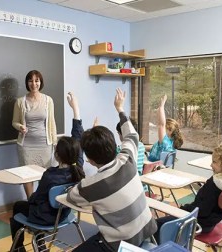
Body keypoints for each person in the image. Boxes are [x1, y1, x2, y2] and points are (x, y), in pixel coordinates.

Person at [67, 88, 157, 251]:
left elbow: (72, 197)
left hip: (121, 245)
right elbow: (132, 136)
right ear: (113, 145)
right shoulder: (127, 160)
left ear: (90, 160)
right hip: (147, 231)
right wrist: (120, 108)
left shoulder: (90, 185)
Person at [10, 92, 85, 252]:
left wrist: (30, 200)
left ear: (56, 155)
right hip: (64, 214)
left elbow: (35, 199)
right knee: (38, 206)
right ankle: (40, 242)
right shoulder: (77, 169)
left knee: (18, 206)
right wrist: (76, 110)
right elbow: (77, 138)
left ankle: (18, 247)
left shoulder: (50, 175)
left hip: (45, 218)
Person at [154, 118, 222, 241]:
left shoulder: (214, 186)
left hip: (198, 223)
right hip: (211, 221)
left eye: (214, 162)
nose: (211, 165)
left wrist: (182, 208)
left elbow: (201, 211)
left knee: (156, 226)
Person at [12, 70, 57, 198]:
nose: (34, 83)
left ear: (40, 82)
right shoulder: (20, 102)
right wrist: (20, 126)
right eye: (30, 80)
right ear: (27, 83)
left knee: (45, 176)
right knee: (27, 176)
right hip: (26, 146)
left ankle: (42, 203)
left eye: (36, 80)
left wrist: (54, 143)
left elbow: (52, 123)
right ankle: (31, 202)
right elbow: (14, 122)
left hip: (45, 145)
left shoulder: (48, 101)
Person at [147, 94, 183, 162]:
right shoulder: (171, 142)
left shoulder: (165, 141)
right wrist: (143, 147)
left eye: (165, 128)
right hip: (160, 168)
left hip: (153, 168)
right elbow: (156, 148)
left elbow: (161, 124)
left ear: (170, 130)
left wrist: (162, 106)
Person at [116, 119, 148, 192]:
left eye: (118, 133)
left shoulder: (121, 149)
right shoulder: (141, 145)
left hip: (128, 186)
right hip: (141, 184)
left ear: (123, 134)